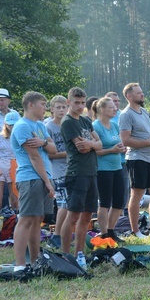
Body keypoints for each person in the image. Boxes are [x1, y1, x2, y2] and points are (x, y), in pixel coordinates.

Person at [10, 91, 56, 279]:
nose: (45, 108)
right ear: (30, 105)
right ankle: (20, 264)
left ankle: (35, 260)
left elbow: (53, 148)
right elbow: (34, 156)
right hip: (30, 177)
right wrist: (47, 182)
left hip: (43, 177)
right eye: (42, 104)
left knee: (37, 221)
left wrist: (43, 141)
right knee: (26, 219)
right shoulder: (22, 126)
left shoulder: (39, 126)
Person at [58, 87, 102, 263]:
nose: (80, 106)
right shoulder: (68, 122)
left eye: (83, 103)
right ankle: (66, 254)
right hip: (77, 173)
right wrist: (93, 144)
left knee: (87, 216)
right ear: (69, 102)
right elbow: (82, 148)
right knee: (73, 215)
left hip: (91, 172)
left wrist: (92, 144)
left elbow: (100, 144)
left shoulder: (85, 120)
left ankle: (80, 254)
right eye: (76, 102)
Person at [120, 83, 150, 238]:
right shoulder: (126, 115)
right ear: (129, 96)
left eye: (142, 92)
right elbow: (125, 140)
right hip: (136, 159)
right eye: (138, 93)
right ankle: (135, 230)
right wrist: (148, 142)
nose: (142, 95)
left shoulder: (143, 112)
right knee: (137, 195)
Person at [92, 96, 127, 242]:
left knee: (119, 201)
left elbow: (118, 143)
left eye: (115, 107)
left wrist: (121, 148)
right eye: (111, 107)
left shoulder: (114, 125)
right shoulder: (95, 127)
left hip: (117, 166)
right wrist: (111, 150)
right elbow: (95, 151)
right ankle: (104, 233)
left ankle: (112, 230)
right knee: (105, 202)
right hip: (103, 169)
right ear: (101, 109)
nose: (115, 109)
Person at [42, 96, 70, 248]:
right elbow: (50, 154)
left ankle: (64, 232)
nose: (61, 110)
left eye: (63, 107)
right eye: (58, 107)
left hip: (71, 169)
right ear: (51, 109)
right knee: (63, 204)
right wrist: (68, 153)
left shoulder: (68, 125)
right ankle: (57, 235)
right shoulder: (48, 127)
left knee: (70, 204)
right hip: (57, 170)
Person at [0, 112, 20, 212]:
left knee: (15, 200)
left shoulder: (20, 137)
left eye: (15, 124)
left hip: (13, 165)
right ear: (6, 124)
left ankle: (14, 223)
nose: (12, 127)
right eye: (10, 125)